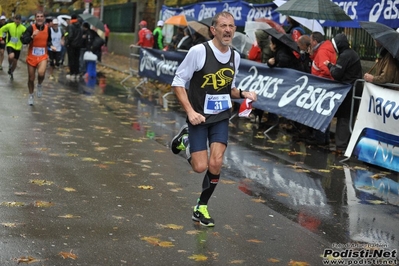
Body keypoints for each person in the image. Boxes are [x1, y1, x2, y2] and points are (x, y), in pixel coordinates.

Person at [169, 11, 257, 227]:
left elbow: (229, 89)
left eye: (231, 26)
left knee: (216, 162)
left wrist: (243, 93)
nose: (228, 30)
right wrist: (190, 112)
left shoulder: (235, 56)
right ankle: (186, 139)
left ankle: (201, 207)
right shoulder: (198, 52)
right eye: (223, 26)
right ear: (213, 30)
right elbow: (178, 82)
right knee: (200, 167)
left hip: (220, 116)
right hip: (198, 117)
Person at [324, 33, 362, 153]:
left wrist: (329, 65)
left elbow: (336, 74)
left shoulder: (345, 56)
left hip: (348, 91)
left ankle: (341, 146)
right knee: (349, 117)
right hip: (354, 90)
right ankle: (347, 144)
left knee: (343, 118)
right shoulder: (352, 53)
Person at [307, 31, 337, 146]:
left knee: (320, 113)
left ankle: (319, 138)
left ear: (315, 41)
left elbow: (325, 69)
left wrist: (318, 79)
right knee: (325, 113)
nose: (310, 43)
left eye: (311, 41)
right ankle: (324, 138)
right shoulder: (324, 49)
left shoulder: (323, 51)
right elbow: (320, 62)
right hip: (325, 86)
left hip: (321, 86)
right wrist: (312, 55)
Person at [21, 11, 55, 105]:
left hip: (43, 56)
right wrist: (32, 36)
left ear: (44, 18)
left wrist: (51, 46)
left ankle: (39, 85)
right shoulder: (30, 28)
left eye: (41, 16)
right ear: (35, 18)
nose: (39, 18)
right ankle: (31, 95)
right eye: (38, 16)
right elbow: (24, 41)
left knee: (41, 73)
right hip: (32, 56)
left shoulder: (48, 29)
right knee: (31, 78)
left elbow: (48, 41)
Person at [0, 14, 26, 80]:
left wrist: (25, 37)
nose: (17, 21)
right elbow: (1, 30)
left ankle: (11, 71)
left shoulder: (23, 28)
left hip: (18, 46)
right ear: (14, 19)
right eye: (16, 19)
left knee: (15, 62)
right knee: (11, 56)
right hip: (10, 44)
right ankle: (10, 65)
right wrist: (1, 39)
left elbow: (27, 34)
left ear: (20, 20)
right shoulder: (9, 25)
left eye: (19, 20)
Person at [65, 14, 83, 81]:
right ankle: (76, 73)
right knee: (76, 60)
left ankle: (72, 73)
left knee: (71, 59)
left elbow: (70, 36)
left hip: (71, 46)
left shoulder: (71, 26)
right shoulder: (80, 27)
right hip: (78, 46)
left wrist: (67, 43)